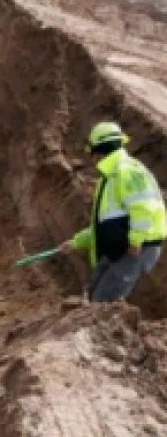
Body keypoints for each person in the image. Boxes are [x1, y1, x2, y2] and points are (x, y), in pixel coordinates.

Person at [62, 121, 165, 302]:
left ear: (101, 150)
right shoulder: (109, 178)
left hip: (137, 247)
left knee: (104, 300)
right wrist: (76, 242)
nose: (92, 159)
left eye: (93, 153)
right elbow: (106, 223)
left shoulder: (128, 171)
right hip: (120, 246)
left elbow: (143, 207)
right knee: (94, 292)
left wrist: (136, 239)